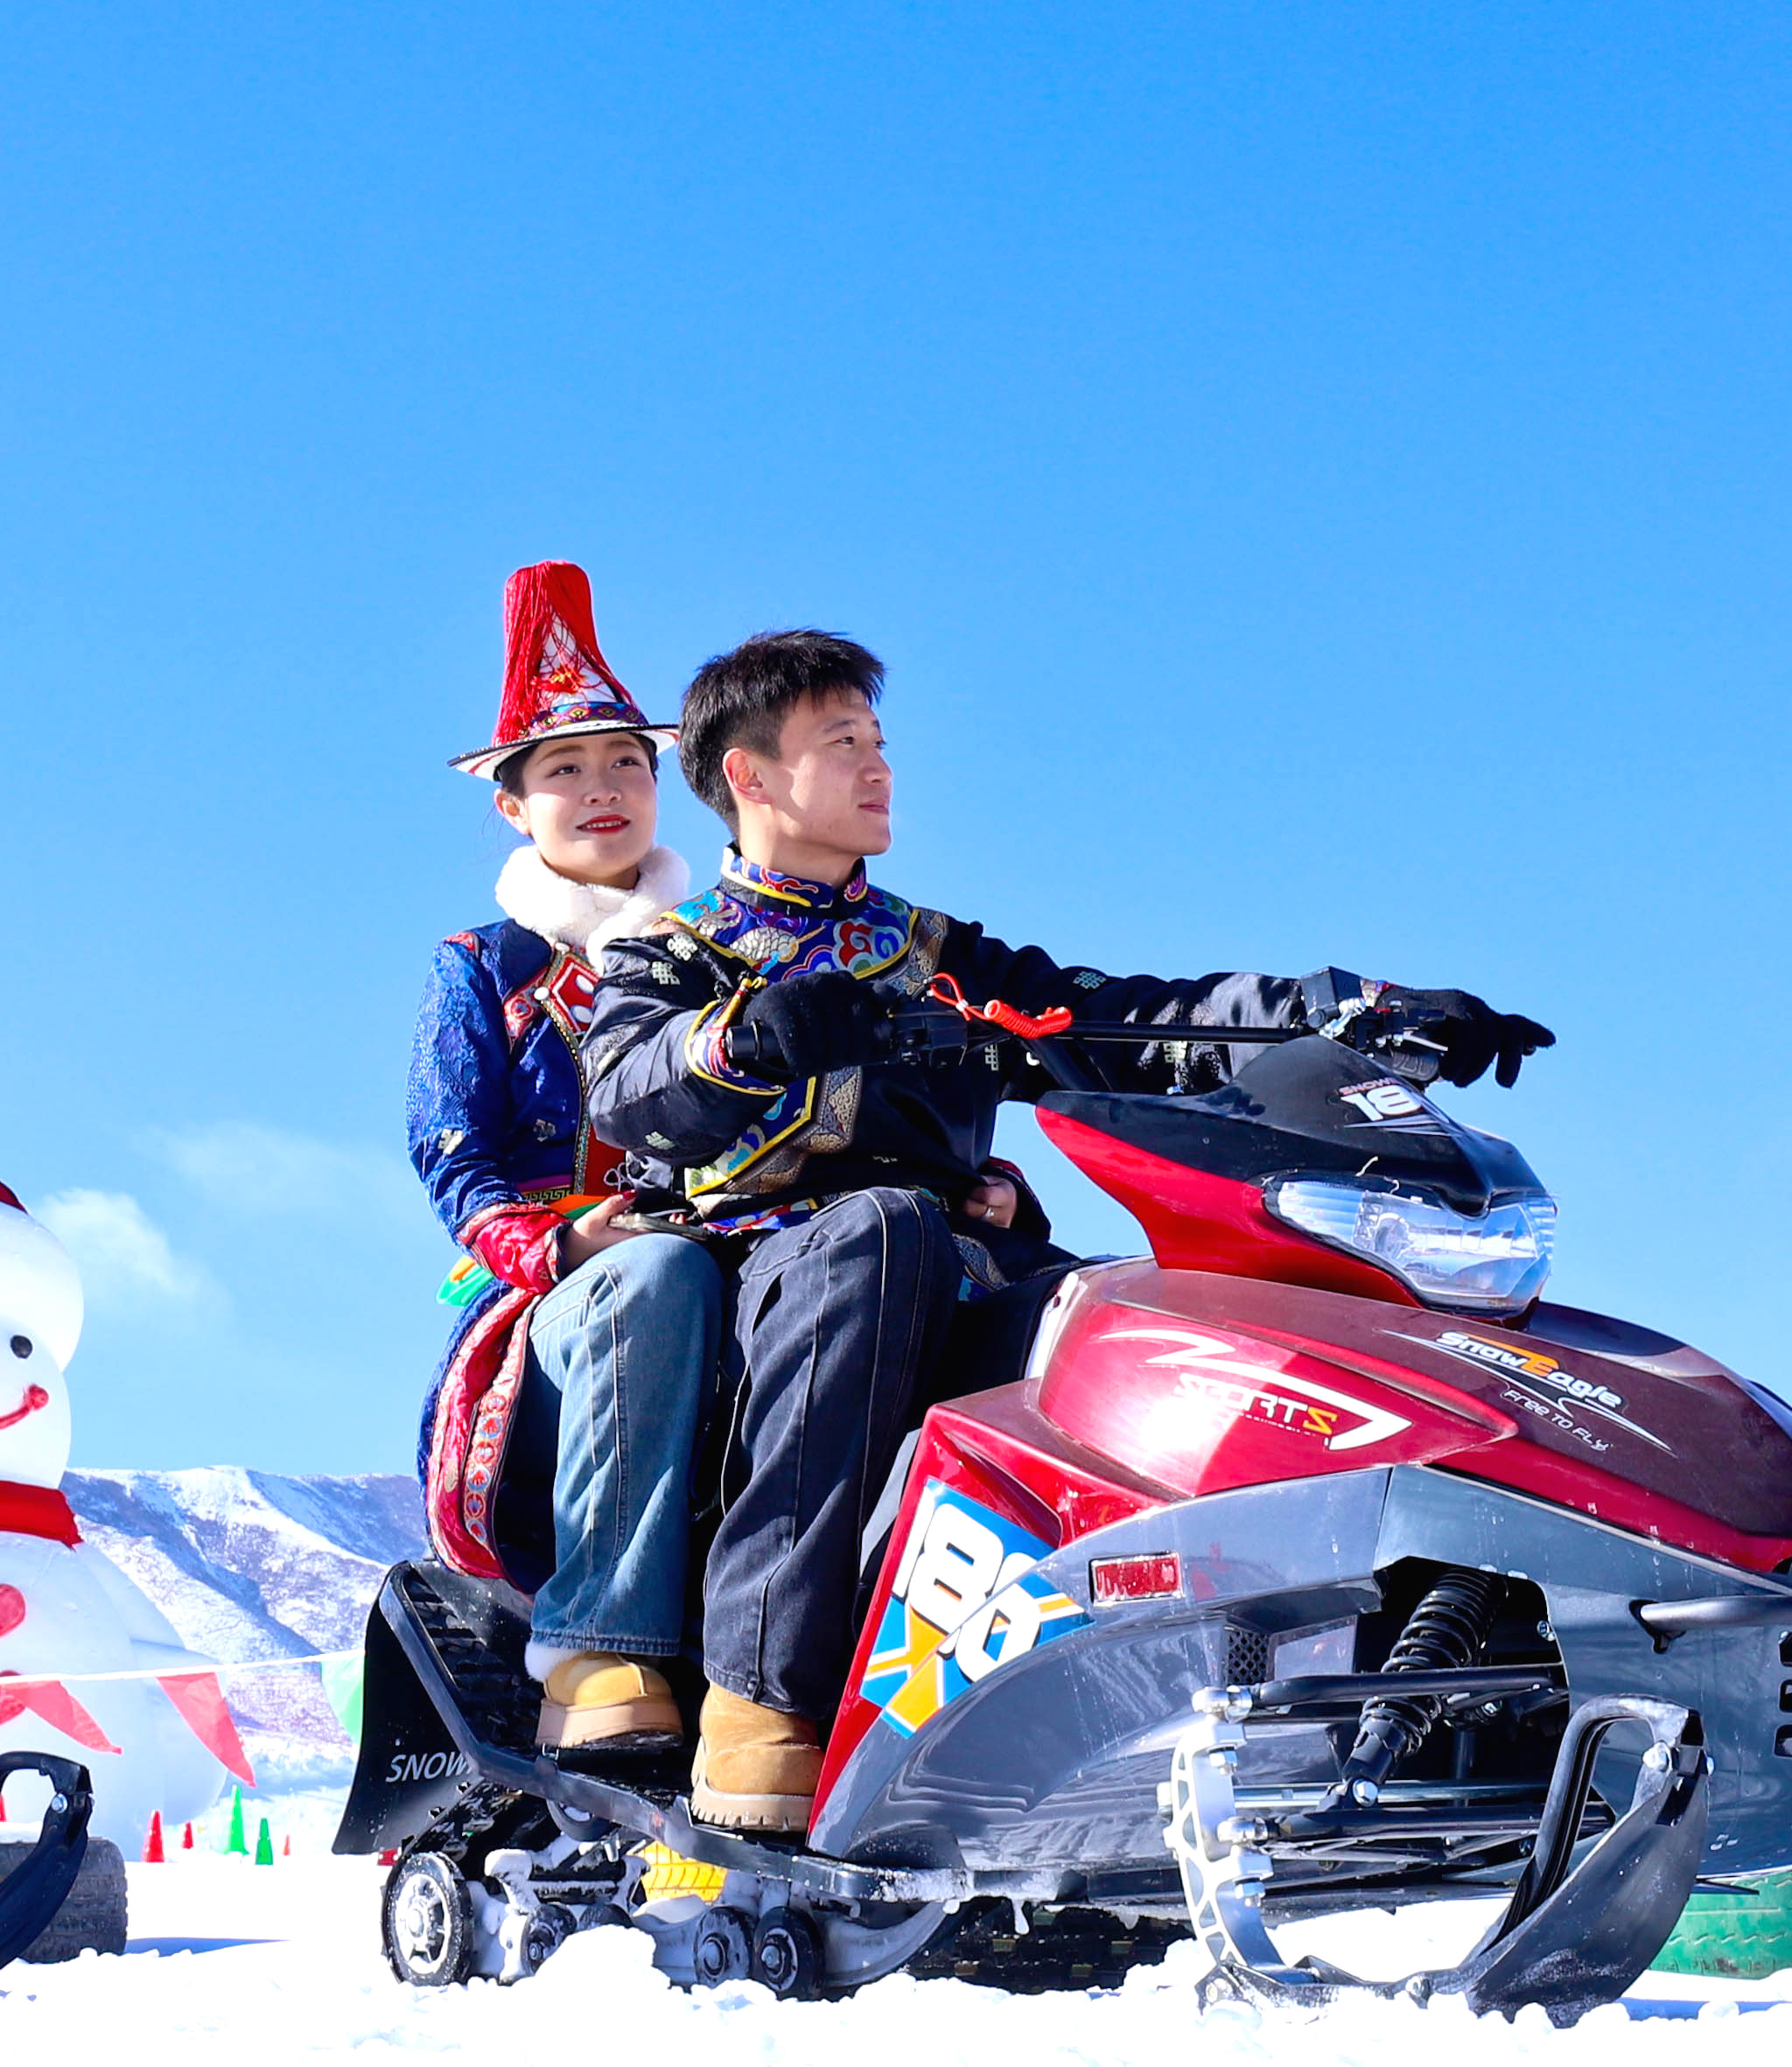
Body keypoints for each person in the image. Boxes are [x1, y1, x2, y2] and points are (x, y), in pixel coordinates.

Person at [586, 630, 1550, 1834]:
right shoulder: (676, 958)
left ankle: (1167, 1699)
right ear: (752, 777)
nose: (882, 770)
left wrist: (1349, 1013)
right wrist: (744, 1037)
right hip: (762, 1276)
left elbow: (1126, 1020)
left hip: (943, 1264)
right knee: (877, 1233)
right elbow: (624, 1083)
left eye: (882, 744)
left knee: (1131, 1315)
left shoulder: (937, 961)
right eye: (844, 745)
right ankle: (763, 1689)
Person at [407, 563, 725, 1757]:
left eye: (628, 764)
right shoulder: (482, 968)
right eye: (566, 770)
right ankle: (597, 1647)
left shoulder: (729, 954)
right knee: (658, 1282)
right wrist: (561, 1242)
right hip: (553, 1303)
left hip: (729, 1250)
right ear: (511, 805)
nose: (604, 789)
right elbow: (453, 1157)